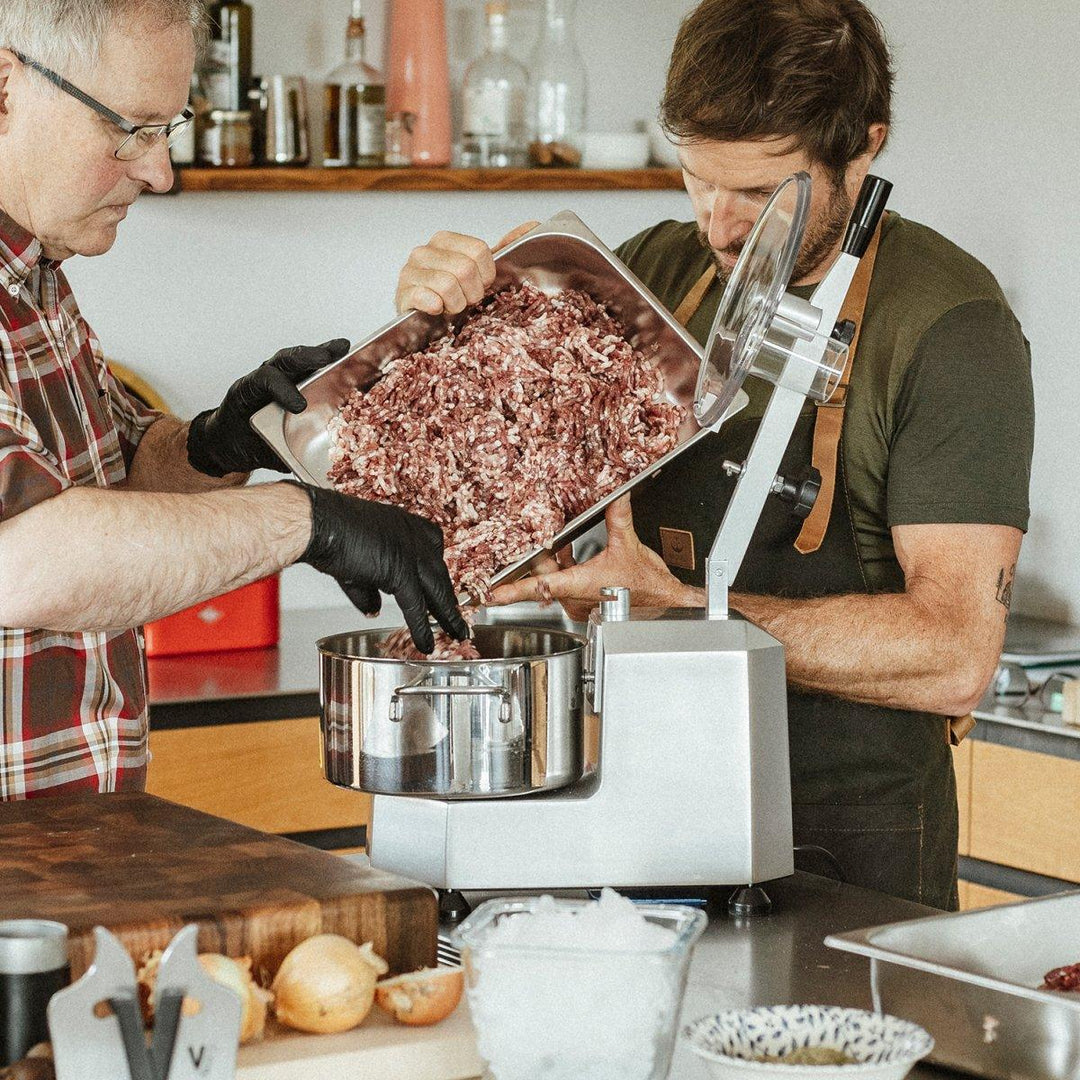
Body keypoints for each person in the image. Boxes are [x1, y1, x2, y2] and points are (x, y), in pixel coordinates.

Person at [393, 0, 1035, 909]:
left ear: (862, 150)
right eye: (696, 179)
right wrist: (444, 329)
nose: (720, 226)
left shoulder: (949, 326)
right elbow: (490, 490)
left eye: (762, 195)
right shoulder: (654, 272)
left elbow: (956, 653)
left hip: (847, 839)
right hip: (638, 798)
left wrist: (686, 610)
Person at [0, 0, 467, 800]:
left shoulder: (35, 276)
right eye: (129, 129)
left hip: (72, 840)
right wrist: (308, 523)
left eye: (167, 129)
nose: (160, 172)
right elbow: (26, 561)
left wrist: (217, 443)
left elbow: (115, 487)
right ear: (6, 89)